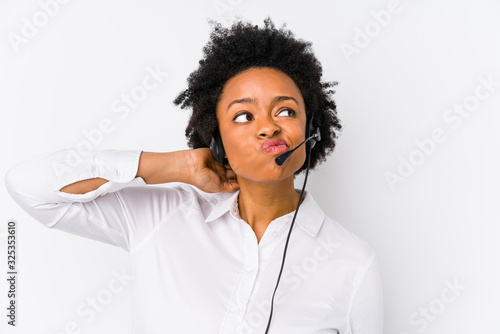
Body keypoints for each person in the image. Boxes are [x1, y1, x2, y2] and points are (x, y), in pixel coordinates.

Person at [5, 17, 382, 334]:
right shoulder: (161, 217)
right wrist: (178, 166)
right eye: (243, 116)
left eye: (284, 111)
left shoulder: (352, 262)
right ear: (216, 140)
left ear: (311, 129)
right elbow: (31, 187)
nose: (267, 128)